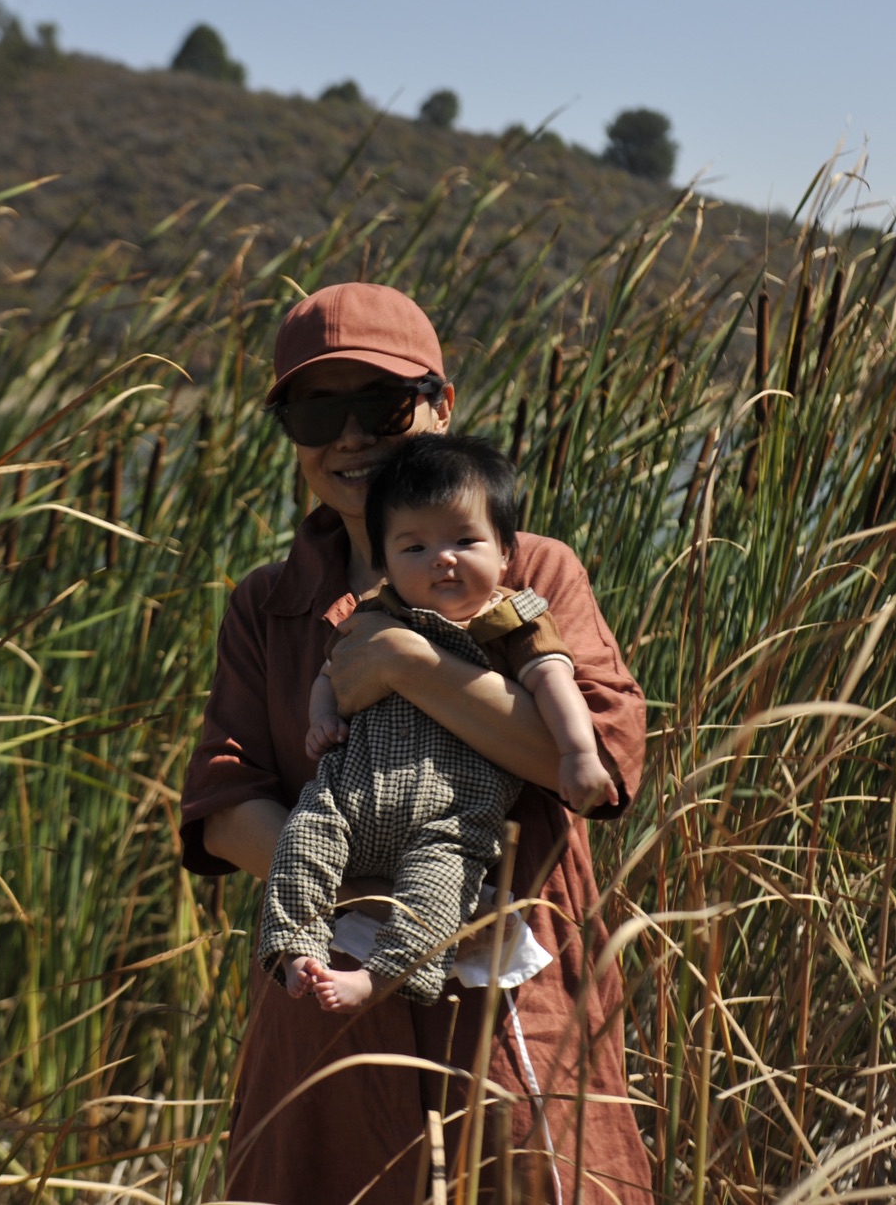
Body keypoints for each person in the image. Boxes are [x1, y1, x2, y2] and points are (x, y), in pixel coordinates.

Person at [181, 282, 652, 1204]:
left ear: (441, 408)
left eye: (382, 406)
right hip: (324, 994)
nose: (351, 437)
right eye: (319, 409)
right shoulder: (267, 604)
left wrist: (404, 662)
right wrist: (365, 905)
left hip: (508, 983)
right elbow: (223, 802)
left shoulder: (532, 572)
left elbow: (598, 762)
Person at [260, 434, 616, 1012]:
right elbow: (329, 673)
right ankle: (295, 947)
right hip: (351, 793)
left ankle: (380, 979)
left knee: (439, 888)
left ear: (505, 552)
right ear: (386, 563)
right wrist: (321, 717)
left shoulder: (513, 619)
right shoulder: (375, 611)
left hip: (452, 813)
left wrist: (578, 753)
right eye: (415, 547)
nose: (441, 558)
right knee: (301, 841)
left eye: (464, 541)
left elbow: (556, 685)